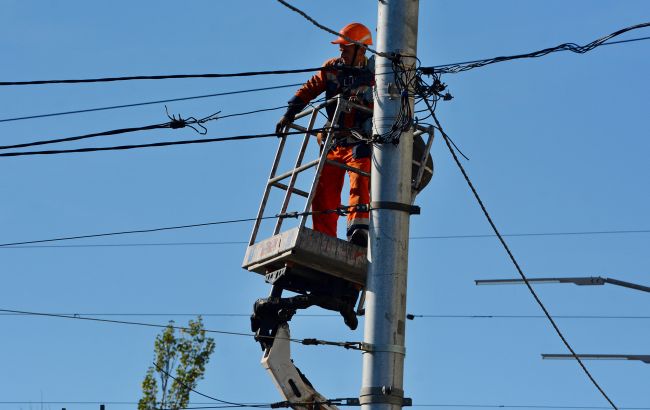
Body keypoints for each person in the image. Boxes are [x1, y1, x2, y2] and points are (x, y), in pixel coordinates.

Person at [275, 22, 375, 247]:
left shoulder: (375, 76)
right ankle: (324, 237)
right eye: (340, 47)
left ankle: (358, 230)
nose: (341, 50)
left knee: (359, 182)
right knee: (323, 191)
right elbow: (310, 88)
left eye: (346, 47)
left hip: (360, 140)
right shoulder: (332, 69)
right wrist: (289, 114)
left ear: (361, 49)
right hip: (334, 141)